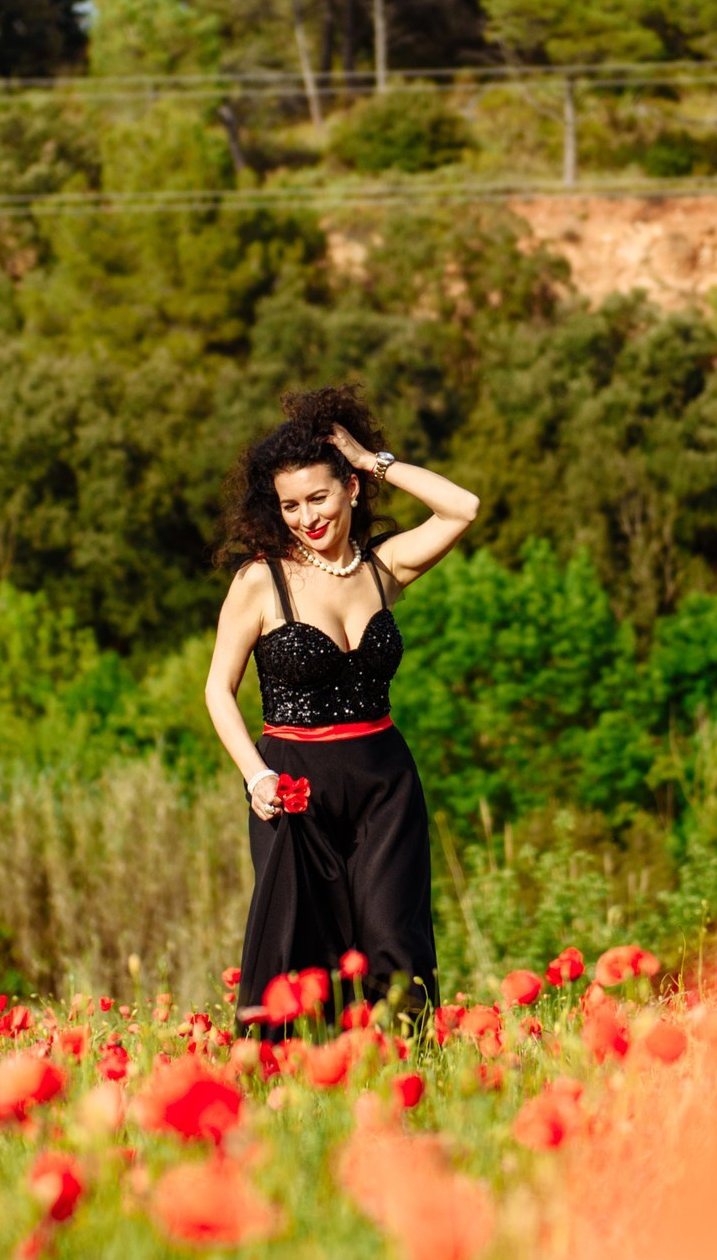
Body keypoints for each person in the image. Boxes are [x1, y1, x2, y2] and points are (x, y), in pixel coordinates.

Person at [203, 386, 479, 1033]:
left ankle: (402, 1083)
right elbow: (219, 688)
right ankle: (291, 1089)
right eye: (290, 504)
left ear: (351, 487)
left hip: (386, 780)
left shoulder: (382, 569)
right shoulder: (260, 582)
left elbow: (461, 507)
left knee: (394, 942)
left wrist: (373, 456)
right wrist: (255, 775)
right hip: (295, 784)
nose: (306, 517)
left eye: (319, 497)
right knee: (301, 954)